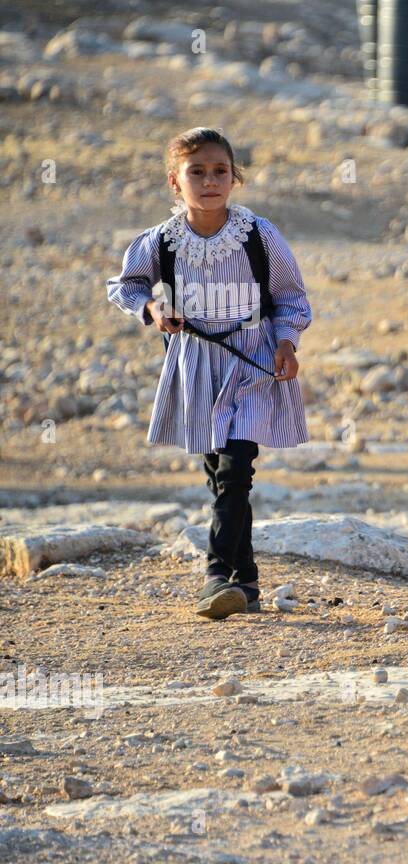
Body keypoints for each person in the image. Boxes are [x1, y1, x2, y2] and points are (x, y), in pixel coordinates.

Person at [107, 127, 311, 620]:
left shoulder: (260, 235)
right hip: (195, 363)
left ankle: (215, 576)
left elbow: (290, 298)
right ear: (176, 183)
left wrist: (287, 342)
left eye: (220, 170)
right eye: (196, 171)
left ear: (234, 177)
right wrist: (154, 310)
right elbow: (125, 285)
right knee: (219, 476)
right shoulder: (161, 241)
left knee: (236, 469)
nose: (210, 180)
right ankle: (249, 582)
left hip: (251, 362)